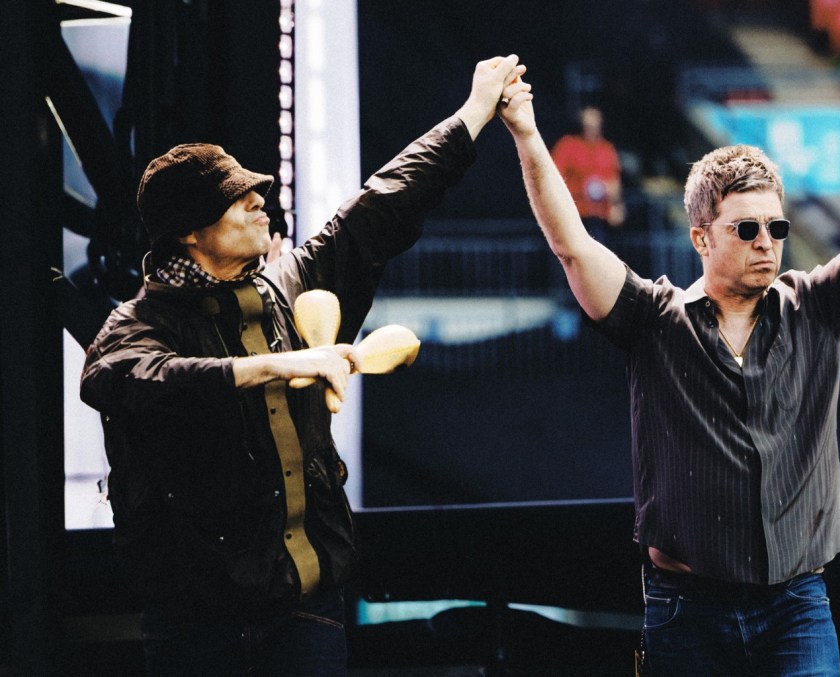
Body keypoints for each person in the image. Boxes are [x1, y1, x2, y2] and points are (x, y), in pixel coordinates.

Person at [496, 41, 840, 675]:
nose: (767, 242)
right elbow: (572, 246)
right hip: (685, 609)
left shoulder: (817, 305)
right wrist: (527, 134)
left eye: (776, 227)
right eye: (746, 229)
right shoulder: (656, 320)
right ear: (701, 237)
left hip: (797, 606)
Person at [79, 55, 525, 677]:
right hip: (194, 622)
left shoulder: (289, 286)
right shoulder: (137, 325)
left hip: (304, 607)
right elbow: (126, 381)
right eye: (236, 198)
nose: (258, 202)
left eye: (255, 192)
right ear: (187, 233)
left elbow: (386, 201)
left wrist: (474, 112)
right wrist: (275, 365)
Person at [550, 105, 625, 244]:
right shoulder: (568, 145)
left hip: (600, 217)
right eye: (588, 125)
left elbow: (614, 181)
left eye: (596, 123)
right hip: (574, 216)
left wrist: (617, 205)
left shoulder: (607, 148)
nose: (593, 128)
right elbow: (553, 177)